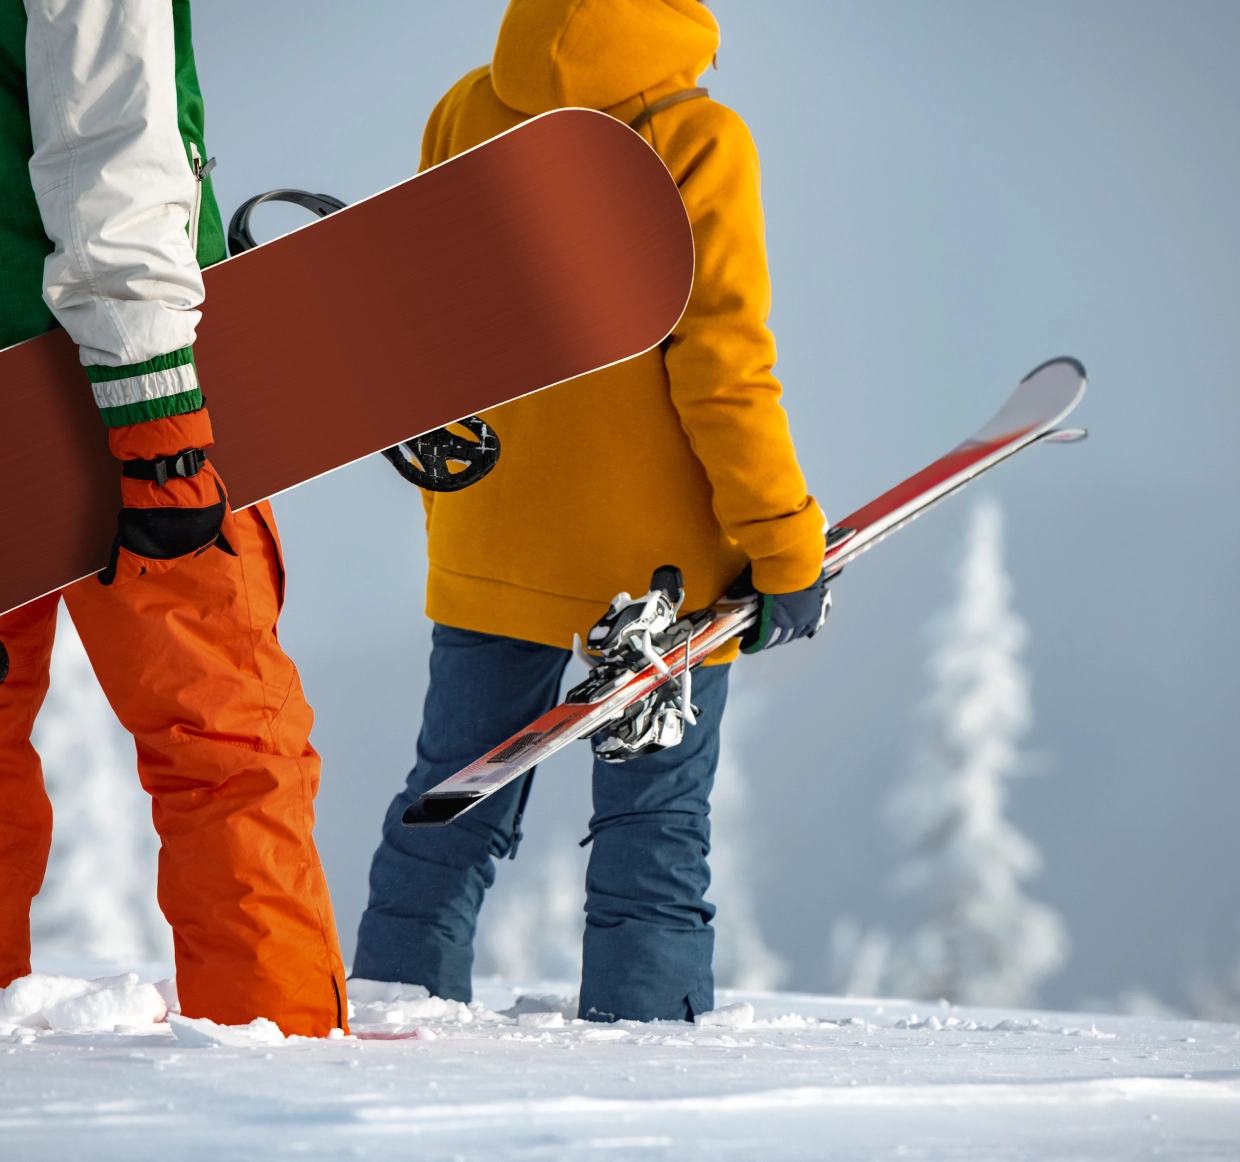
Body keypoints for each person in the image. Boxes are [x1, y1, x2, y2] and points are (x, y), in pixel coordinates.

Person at [353, 0, 828, 1024]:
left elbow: (426, 316)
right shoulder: (697, 137)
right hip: (655, 577)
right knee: (652, 831)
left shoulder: (467, 110)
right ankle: (645, 1062)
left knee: (449, 801)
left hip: (491, 531)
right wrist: (783, 545)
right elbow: (722, 367)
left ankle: (388, 1019)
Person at [0, 0, 347, 1036]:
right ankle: (271, 1061)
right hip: (86, 381)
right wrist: (154, 403)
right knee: (225, 737)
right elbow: (110, 128)